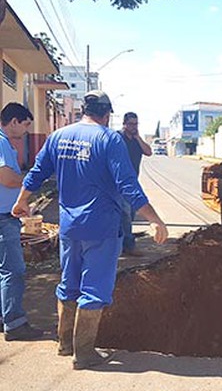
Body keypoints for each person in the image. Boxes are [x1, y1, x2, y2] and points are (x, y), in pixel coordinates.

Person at [12, 90, 168, 370]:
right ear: (107, 114)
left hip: (69, 227)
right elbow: (127, 185)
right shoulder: (109, 139)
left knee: (69, 283)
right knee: (94, 288)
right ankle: (83, 354)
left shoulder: (59, 136)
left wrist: (22, 201)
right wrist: (154, 218)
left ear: (84, 109)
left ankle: (65, 344)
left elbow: (36, 172)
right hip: (101, 227)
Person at [0, 102, 43, 341]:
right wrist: (28, 181)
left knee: (3, 271)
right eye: (25, 124)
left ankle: (5, 317)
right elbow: (5, 177)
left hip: (6, 215)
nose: (26, 130)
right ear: (14, 121)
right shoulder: (2, 142)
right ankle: (15, 324)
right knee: (14, 271)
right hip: (3, 218)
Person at [117, 112, 152, 257]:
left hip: (133, 182)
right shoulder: (118, 138)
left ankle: (122, 242)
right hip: (119, 182)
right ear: (124, 124)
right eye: (131, 124)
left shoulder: (136, 141)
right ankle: (129, 245)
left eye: (135, 124)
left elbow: (149, 152)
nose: (133, 127)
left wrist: (138, 137)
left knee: (130, 213)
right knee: (125, 212)